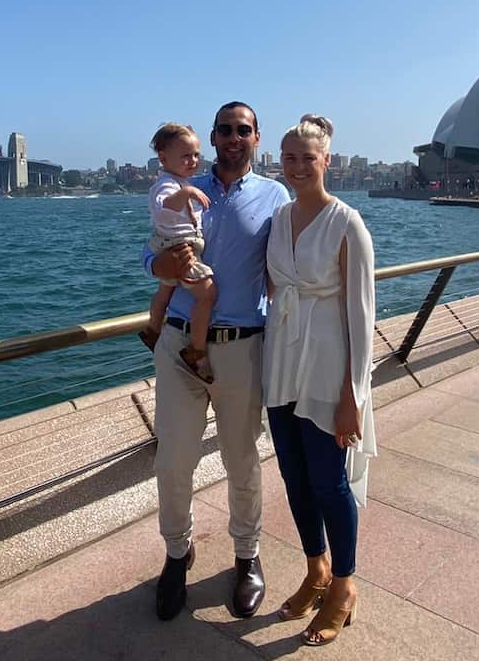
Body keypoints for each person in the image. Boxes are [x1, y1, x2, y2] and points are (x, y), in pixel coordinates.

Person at [145, 102, 290, 621]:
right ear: (211, 137)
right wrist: (157, 264)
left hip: (243, 347)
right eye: (225, 129)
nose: (234, 137)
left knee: (242, 459)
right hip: (180, 344)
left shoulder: (277, 196)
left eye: (243, 130)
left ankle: (247, 556)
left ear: (257, 138)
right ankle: (176, 555)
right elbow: (154, 253)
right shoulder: (181, 183)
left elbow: (285, 272)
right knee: (173, 460)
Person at [263, 115, 376, 646]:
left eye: (308, 158)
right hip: (281, 363)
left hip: (328, 368)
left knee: (330, 482)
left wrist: (353, 396)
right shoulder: (280, 217)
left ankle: (345, 586)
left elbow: (361, 314)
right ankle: (316, 568)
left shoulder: (347, 222)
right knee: (293, 477)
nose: (298, 166)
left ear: (327, 160)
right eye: (289, 157)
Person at [141, 123, 216, 382]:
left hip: (172, 243)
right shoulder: (169, 185)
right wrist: (187, 192)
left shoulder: (178, 181)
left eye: (196, 154)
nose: (193, 160)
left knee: (164, 292)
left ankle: (152, 329)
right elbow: (164, 207)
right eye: (186, 155)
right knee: (207, 295)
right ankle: (196, 350)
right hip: (180, 247)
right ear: (163, 157)